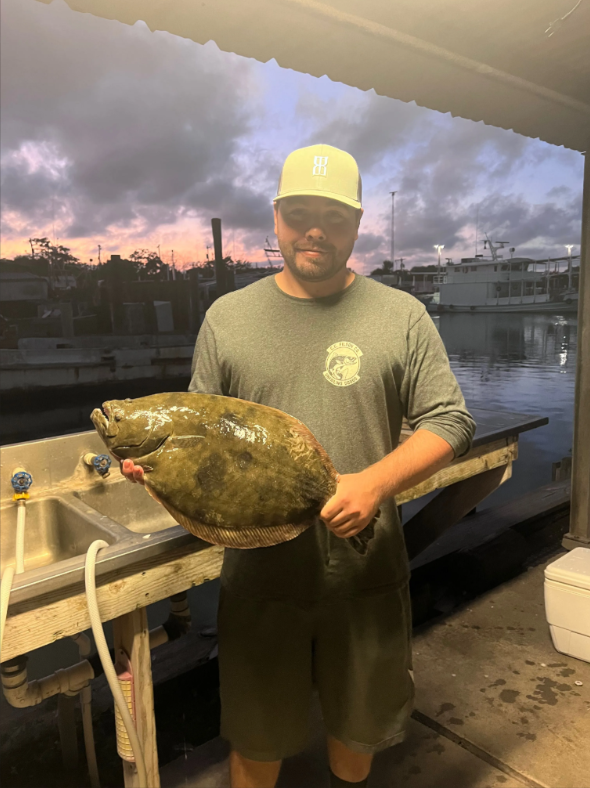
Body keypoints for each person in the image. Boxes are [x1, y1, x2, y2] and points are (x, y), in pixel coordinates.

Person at [122, 144, 476, 788]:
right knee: (257, 748)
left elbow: (450, 421)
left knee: (356, 748)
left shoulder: (403, 316)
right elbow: (198, 440)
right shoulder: (227, 320)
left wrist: (373, 482)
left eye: (334, 216)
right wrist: (161, 473)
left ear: (357, 225)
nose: (315, 228)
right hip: (261, 585)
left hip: (367, 578)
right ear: (278, 217)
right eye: (300, 212)